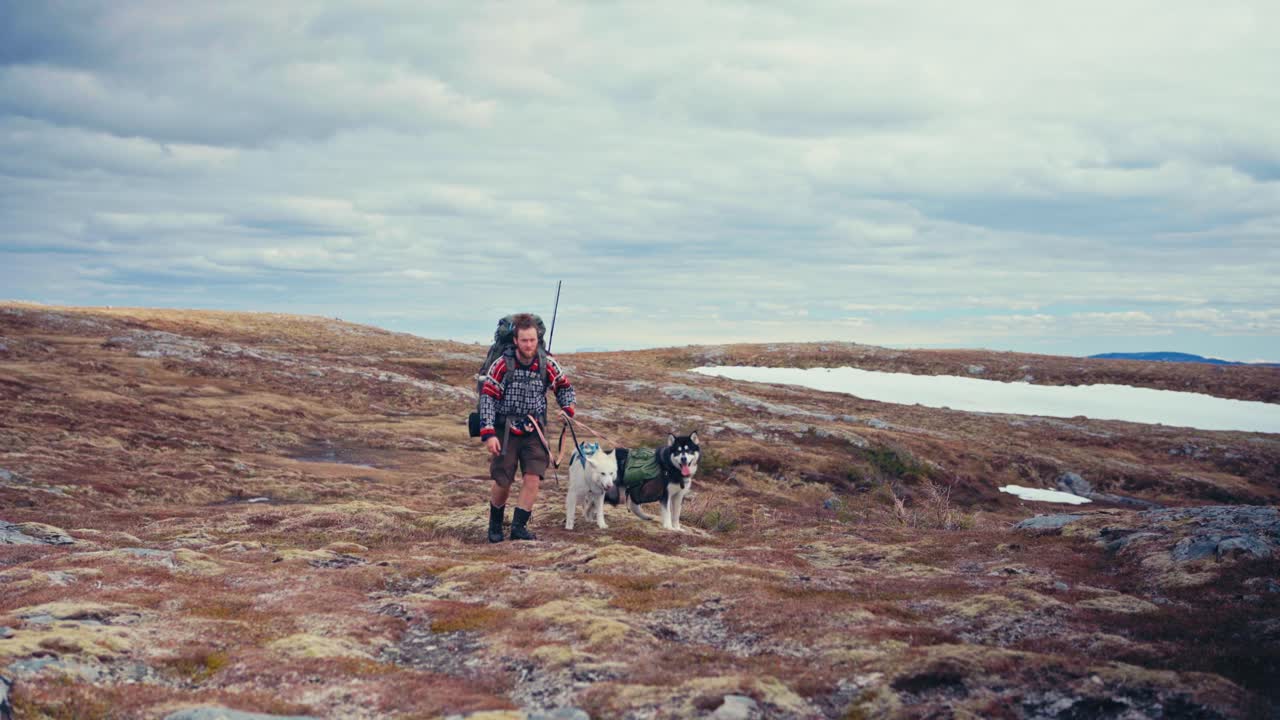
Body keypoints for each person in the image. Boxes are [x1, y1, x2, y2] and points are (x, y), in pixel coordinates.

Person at [478, 313, 575, 542]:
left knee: (533, 478)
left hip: (535, 429)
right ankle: (495, 527)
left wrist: (567, 408)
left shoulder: (547, 363)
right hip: (506, 430)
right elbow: (488, 398)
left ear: (537, 339)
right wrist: (489, 433)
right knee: (503, 481)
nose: (529, 345)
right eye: (524, 340)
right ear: (515, 340)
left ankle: (518, 528)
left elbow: (564, 387)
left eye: (532, 340)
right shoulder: (502, 365)